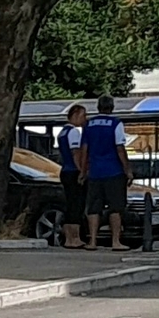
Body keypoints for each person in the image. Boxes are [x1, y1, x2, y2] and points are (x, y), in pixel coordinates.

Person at [82, 94, 133, 249]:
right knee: (115, 207)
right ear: (112, 108)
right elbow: (120, 148)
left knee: (93, 208)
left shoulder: (88, 125)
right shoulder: (116, 123)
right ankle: (116, 241)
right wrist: (127, 169)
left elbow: (84, 149)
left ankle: (92, 241)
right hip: (113, 172)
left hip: (95, 172)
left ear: (98, 107)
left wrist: (83, 171)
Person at [57, 102, 89, 249]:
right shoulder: (74, 132)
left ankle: (68, 237)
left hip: (64, 170)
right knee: (77, 205)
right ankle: (75, 237)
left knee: (70, 204)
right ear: (75, 115)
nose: (85, 119)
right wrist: (82, 171)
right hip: (73, 171)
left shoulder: (62, 132)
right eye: (83, 115)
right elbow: (75, 153)